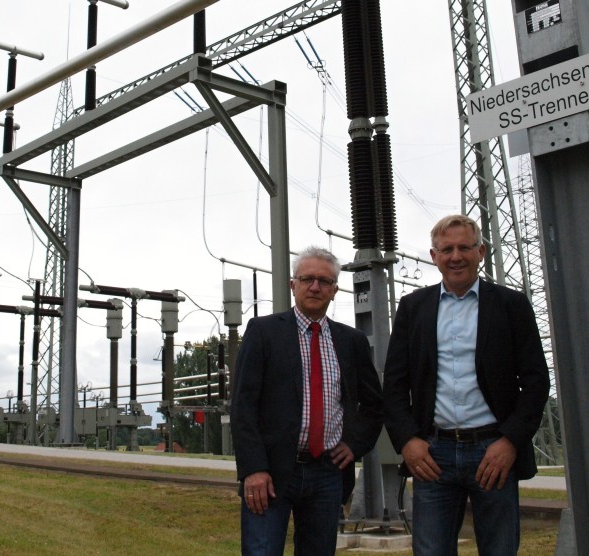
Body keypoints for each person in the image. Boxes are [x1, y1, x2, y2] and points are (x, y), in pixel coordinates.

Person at [383, 215, 549, 555]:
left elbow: (535, 380)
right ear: (434, 256)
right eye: (446, 249)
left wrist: (511, 441)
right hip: (433, 456)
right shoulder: (413, 308)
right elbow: (395, 384)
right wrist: (408, 442)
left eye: (464, 247)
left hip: (493, 454)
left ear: (481, 252)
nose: (455, 256)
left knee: (499, 549)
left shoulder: (510, 305)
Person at [232, 246, 383, 556]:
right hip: (271, 474)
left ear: (334, 290)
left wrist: (355, 444)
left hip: (327, 473)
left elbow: (374, 404)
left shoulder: (351, 341)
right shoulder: (263, 332)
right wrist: (253, 469)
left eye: (324, 281)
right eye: (308, 279)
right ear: (293, 285)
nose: (315, 287)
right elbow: (243, 406)